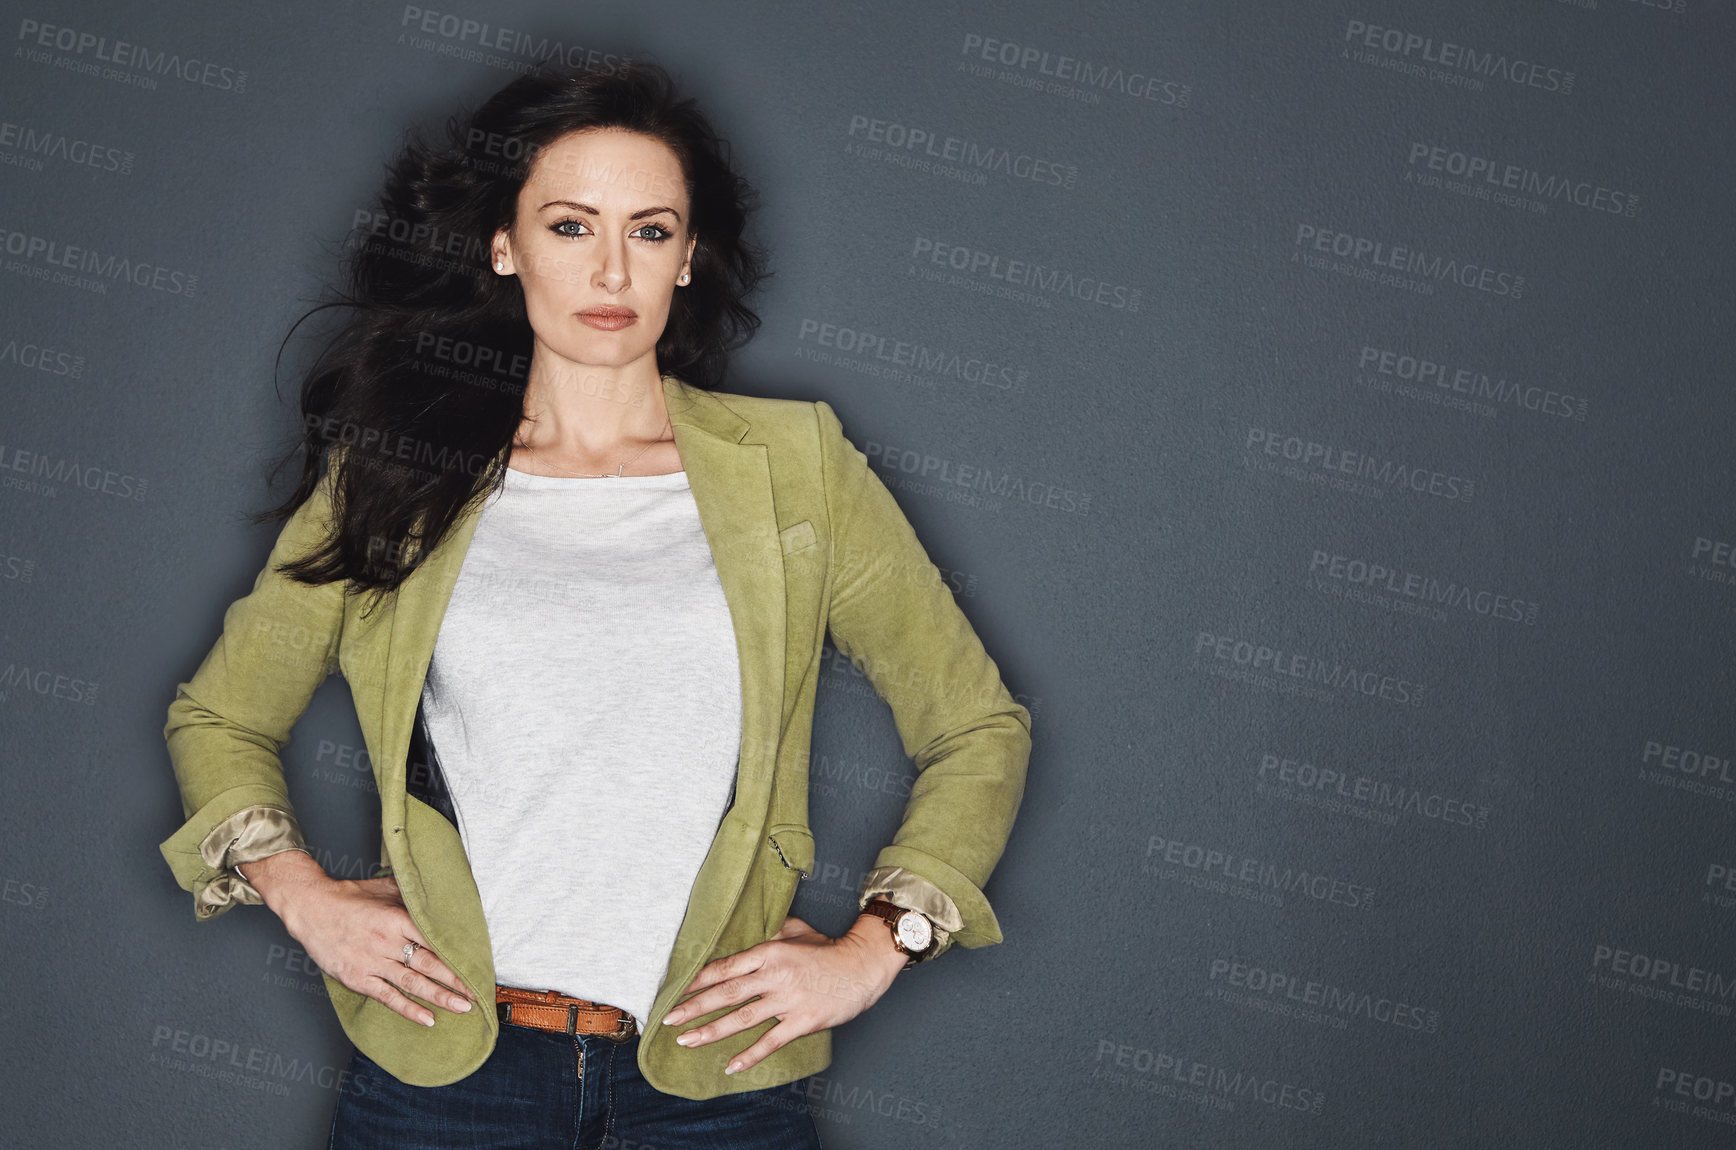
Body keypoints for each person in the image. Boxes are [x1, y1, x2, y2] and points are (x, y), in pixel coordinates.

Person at [158, 58, 1031, 1149]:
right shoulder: (397, 470)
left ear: (688, 256)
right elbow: (220, 715)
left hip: (717, 1086)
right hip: (446, 1077)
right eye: (570, 227)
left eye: (651, 230)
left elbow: (974, 727)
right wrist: (302, 895)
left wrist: (877, 944)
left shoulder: (795, 469)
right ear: (503, 244)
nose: (611, 267)